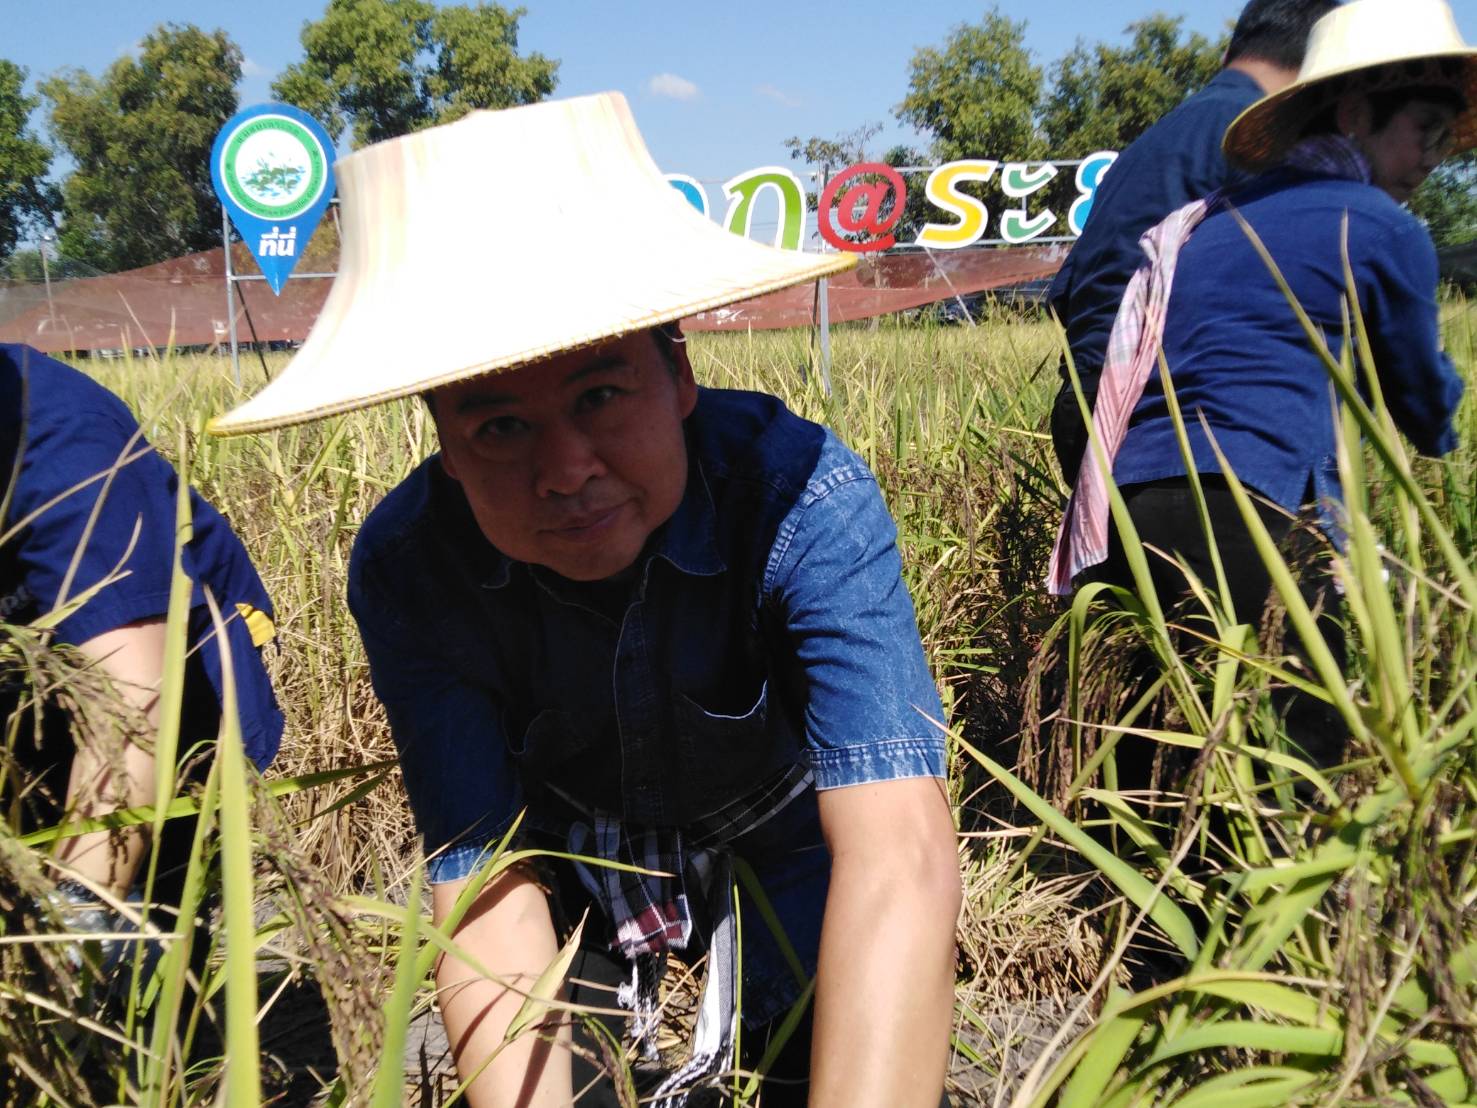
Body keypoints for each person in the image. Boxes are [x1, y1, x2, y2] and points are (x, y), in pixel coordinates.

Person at [209, 93, 961, 1107]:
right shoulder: (410, 568)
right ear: (440, 433)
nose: (565, 471)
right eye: (501, 427)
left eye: (601, 396)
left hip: (787, 843)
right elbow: (489, 886)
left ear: (679, 374)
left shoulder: (803, 496)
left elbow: (896, 848)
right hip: (573, 859)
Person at [1049, 0, 1470, 769]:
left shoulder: (1210, 218)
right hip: (1254, 499)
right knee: (1305, 733)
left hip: (1132, 499)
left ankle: (1120, 879)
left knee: (1160, 715)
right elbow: (1424, 412)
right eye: (1423, 129)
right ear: (1352, 114)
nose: (1433, 157)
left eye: (1445, 137)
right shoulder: (1381, 226)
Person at [0, 343, 283, 950]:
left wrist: (70, 929)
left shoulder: (59, 434)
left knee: (135, 948)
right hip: (30, 696)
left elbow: (134, 701)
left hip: (157, 719)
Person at [1048, 0, 1343, 482]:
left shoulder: (1153, 142)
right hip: (1176, 426)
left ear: (1230, 51)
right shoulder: (1270, 142)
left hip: (1085, 407)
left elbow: (1076, 295)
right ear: (1325, 66)